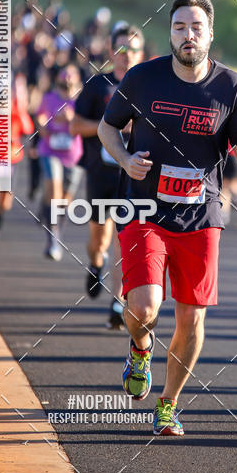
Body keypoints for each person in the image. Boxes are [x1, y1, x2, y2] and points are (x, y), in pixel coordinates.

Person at [98, 0, 237, 436]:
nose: (187, 35)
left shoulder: (231, 87)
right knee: (144, 307)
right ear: (168, 32)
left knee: (192, 318)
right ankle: (139, 347)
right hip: (145, 208)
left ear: (210, 34)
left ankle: (168, 405)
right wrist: (123, 159)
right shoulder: (142, 78)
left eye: (196, 27)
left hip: (201, 215)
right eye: (179, 27)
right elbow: (107, 126)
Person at [71, 23, 145, 329]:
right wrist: (108, 128)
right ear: (113, 51)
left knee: (123, 240)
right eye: (122, 48)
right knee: (99, 238)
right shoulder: (97, 86)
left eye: (134, 49)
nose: (127, 55)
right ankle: (95, 262)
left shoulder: (147, 89)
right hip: (101, 174)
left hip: (134, 177)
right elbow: (76, 126)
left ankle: (118, 302)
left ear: (142, 54)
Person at [36, 64, 83, 260]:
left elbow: (88, 122)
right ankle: (52, 239)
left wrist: (72, 120)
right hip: (50, 150)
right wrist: (42, 125)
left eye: (71, 79)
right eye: (64, 79)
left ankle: (57, 233)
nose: (67, 83)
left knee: (64, 200)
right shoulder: (49, 98)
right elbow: (39, 115)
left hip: (73, 156)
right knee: (54, 192)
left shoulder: (81, 100)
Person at [0, 74, 34, 242]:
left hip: (11, 160)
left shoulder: (16, 112)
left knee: (6, 201)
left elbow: (28, 128)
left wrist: (20, 109)